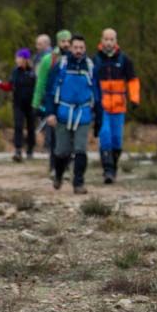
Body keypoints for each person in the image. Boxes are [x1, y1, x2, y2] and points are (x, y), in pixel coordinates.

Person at [44, 34, 100, 195]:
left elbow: (96, 93)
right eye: (75, 47)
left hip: (83, 113)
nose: (78, 51)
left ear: (85, 49)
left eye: (81, 48)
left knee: (80, 149)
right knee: (62, 151)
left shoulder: (90, 66)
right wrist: (50, 113)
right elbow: (50, 91)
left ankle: (79, 183)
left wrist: (98, 116)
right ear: (70, 48)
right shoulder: (61, 65)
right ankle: (59, 176)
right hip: (62, 113)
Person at [92, 28, 140, 184]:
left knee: (116, 140)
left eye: (111, 39)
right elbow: (91, 82)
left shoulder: (124, 60)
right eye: (106, 39)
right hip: (102, 106)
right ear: (101, 40)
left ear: (116, 41)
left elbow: (132, 80)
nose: (109, 42)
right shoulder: (96, 60)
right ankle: (108, 171)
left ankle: (113, 166)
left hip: (119, 106)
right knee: (104, 135)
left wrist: (134, 98)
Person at [33, 30, 70, 177]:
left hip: (69, 102)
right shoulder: (49, 60)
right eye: (63, 41)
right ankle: (54, 166)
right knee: (53, 135)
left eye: (68, 41)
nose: (66, 44)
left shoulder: (75, 58)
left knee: (68, 136)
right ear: (58, 42)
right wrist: (36, 103)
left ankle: (66, 165)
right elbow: (41, 82)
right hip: (53, 102)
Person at [0, 49, 37, 162]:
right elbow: (10, 86)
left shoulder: (33, 72)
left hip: (31, 104)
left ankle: (30, 150)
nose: (16, 60)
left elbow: (38, 88)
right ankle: (18, 150)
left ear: (25, 59)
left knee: (31, 127)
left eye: (18, 58)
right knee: (18, 126)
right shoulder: (15, 71)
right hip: (18, 103)